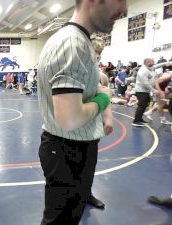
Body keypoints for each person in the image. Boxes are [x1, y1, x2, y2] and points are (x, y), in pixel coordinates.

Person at [37, 0, 126, 224]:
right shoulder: (72, 43)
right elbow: (70, 118)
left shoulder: (76, 40)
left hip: (73, 147)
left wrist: (104, 106)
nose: (124, 10)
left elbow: (86, 88)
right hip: (68, 150)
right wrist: (104, 99)